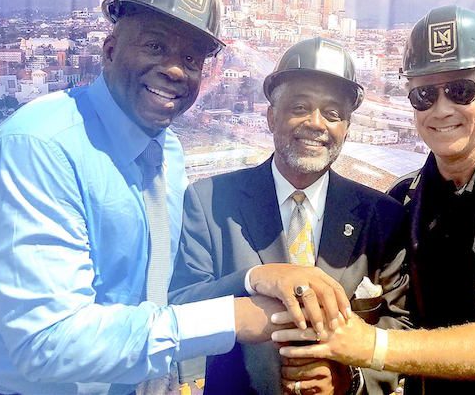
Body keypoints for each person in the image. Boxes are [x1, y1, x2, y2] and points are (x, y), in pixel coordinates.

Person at [0, 0, 343, 395]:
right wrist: (234, 317)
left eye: (191, 58)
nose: (175, 70)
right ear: (109, 49)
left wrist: (249, 280)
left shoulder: (167, 151)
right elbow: (47, 341)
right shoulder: (38, 148)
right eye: (154, 46)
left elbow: (155, 294)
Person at [272, 6, 475, 394]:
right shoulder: (402, 202)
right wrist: (351, 376)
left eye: (460, 90)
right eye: (424, 94)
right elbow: (399, 319)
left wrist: (372, 347)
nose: (442, 109)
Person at [169, 37, 410, 394]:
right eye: (300, 107)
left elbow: (401, 323)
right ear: (271, 116)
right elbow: (180, 309)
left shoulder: (382, 217)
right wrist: (253, 279)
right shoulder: (211, 202)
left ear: (346, 128)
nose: (316, 123)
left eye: (333, 114)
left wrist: (353, 378)